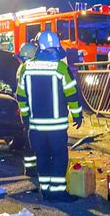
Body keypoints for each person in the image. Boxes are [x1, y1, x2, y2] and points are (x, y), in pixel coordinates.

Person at [18, 30, 83, 202]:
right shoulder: (61, 68)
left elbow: (21, 96)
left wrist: (25, 118)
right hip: (56, 126)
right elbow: (72, 94)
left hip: (36, 126)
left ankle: (45, 190)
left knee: (42, 156)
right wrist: (77, 115)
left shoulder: (26, 68)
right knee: (59, 156)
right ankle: (58, 192)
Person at [16, 42, 38, 177]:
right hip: (33, 110)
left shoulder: (22, 68)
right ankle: (33, 168)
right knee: (32, 141)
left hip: (26, 109)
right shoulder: (27, 69)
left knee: (29, 140)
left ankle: (30, 168)